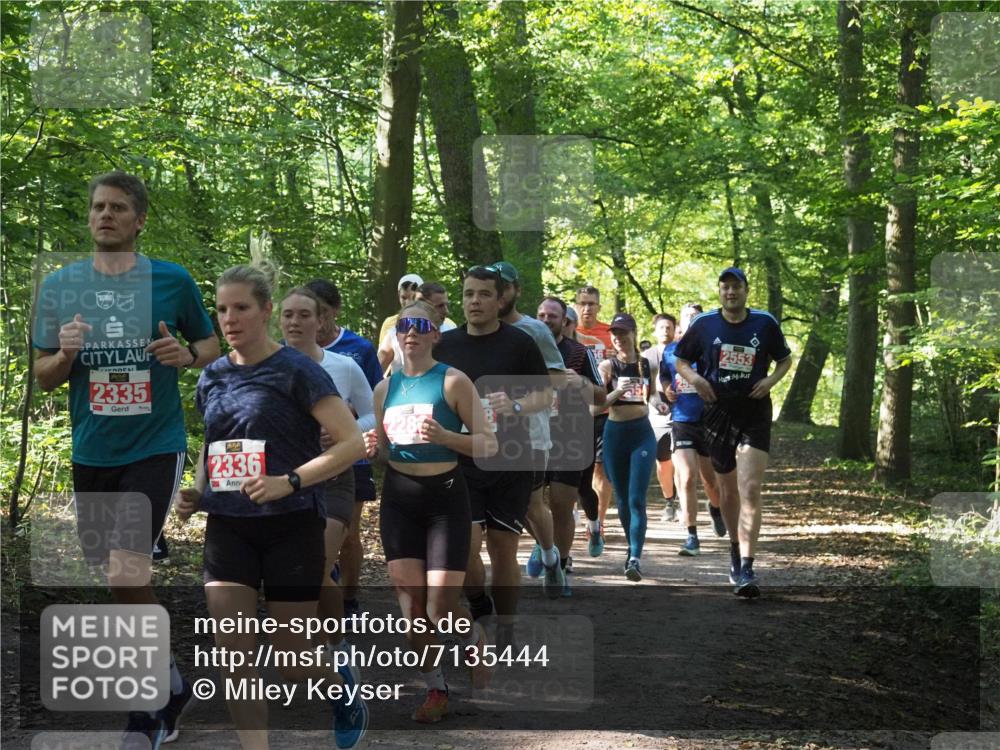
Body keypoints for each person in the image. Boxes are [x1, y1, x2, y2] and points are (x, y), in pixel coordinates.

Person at [33, 171, 220, 748]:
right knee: (117, 580)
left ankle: (146, 706)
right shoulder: (62, 285)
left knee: (124, 570)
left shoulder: (171, 280)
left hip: (154, 445)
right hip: (93, 449)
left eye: (117, 208)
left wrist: (184, 355)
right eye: (97, 207)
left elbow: (210, 345)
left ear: (139, 220)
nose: (104, 216)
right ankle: (168, 679)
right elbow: (43, 377)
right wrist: (64, 354)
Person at [176, 265, 369, 749]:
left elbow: (352, 443)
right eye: (221, 309)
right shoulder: (213, 375)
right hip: (228, 527)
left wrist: (291, 481)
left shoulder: (298, 370)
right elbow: (214, 444)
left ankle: (341, 690)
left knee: (291, 657)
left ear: (265, 310)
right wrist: (197, 490)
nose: (229, 318)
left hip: (292, 525)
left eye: (241, 307)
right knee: (234, 655)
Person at [365, 299, 497, 723]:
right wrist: (371, 451)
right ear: (396, 334)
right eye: (404, 325)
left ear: (435, 334)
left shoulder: (453, 381)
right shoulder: (384, 389)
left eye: (421, 325)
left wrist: (446, 435)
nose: (411, 332)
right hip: (400, 499)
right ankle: (435, 687)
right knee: (410, 605)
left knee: (440, 606)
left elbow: (488, 444)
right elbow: (385, 453)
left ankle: (473, 636)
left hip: (445, 499)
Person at [433, 265, 550, 647]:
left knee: (503, 549)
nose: (474, 301)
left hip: (511, 460)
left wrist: (514, 405)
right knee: (465, 548)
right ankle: (480, 605)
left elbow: (546, 396)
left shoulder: (520, 342)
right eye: (468, 294)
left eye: (483, 294)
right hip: (461, 461)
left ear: (499, 300)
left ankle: (507, 628)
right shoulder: (445, 345)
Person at [674, 267, 792, 598]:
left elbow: (785, 360)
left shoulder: (764, 323)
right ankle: (735, 547)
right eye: (725, 287)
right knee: (727, 491)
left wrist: (770, 381)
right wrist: (697, 380)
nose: (730, 292)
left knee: (750, 487)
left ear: (746, 290)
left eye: (736, 287)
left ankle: (748, 567)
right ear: (719, 291)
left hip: (754, 412)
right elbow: (681, 359)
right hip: (716, 413)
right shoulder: (704, 324)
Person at [279, 287, 375, 658]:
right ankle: (315, 642)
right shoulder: (263, 365)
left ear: (321, 322)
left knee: (317, 564)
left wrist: (344, 424)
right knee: (297, 571)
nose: (295, 322)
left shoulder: (343, 366)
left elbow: (371, 415)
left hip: (333, 477)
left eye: (305, 315)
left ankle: (337, 647)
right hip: (283, 482)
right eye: (288, 315)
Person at [489, 261, 568, 599]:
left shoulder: (534, 330)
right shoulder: (474, 330)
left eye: (504, 287)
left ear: (515, 291)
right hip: (486, 432)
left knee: (531, 505)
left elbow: (559, 378)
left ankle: (551, 559)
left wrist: (516, 390)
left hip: (530, 430)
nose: (498, 294)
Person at [306, 279, 382, 619]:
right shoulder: (281, 351)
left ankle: (348, 598)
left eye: (321, 312)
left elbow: (376, 405)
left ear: (333, 312)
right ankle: (315, 596)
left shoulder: (357, 350)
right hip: (298, 466)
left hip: (349, 461)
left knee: (348, 536)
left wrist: (346, 431)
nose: (314, 321)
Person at [537, 297, 605, 594]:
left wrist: (580, 382)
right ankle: (546, 551)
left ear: (564, 321)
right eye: (540, 314)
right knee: (533, 504)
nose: (545, 319)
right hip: (531, 435)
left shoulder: (579, 353)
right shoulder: (523, 350)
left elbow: (601, 396)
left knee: (562, 504)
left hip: (571, 435)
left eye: (552, 315)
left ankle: (561, 566)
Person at [660, 303, 724, 556]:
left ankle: (716, 508)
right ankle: (691, 536)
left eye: (696, 317)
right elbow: (665, 376)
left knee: (711, 480)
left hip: (709, 420)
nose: (691, 321)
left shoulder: (712, 348)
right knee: (686, 477)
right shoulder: (671, 351)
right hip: (682, 420)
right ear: (680, 324)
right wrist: (667, 389)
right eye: (687, 317)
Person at [596, 313, 656, 582]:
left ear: (633, 333)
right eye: (614, 334)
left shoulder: (647, 364)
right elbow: (594, 406)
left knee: (636, 498)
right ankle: (631, 549)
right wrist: (616, 392)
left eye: (623, 333)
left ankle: (635, 558)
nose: (618, 338)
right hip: (615, 435)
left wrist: (662, 403)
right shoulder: (607, 367)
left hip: (642, 434)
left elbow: (653, 396)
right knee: (621, 498)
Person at [574, 286, 615, 542]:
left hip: (604, 410)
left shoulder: (609, 333)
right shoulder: (568, 332)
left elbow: (627, 363)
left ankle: (598, 523)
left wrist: (616, 359)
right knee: (574, 471)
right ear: (576, 306)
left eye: (592, 303)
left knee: (600, 469)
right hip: (573, 413)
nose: (587, 308)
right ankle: (572, 515)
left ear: (599, 306)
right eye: (583, 303)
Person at [378, 281, 456, 375]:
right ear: (423, 305)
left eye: (446, 305)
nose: (446, 311)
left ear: (436, 336)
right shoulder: (396, 334)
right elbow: (375, 373)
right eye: (440, 306)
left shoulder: (451, 329)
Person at [645, 314, 678, 522]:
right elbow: (643, 386)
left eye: (669, 327)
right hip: (657, 415)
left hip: (682, 410)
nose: (665, 330)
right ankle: (669, 500)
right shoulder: (647, 356)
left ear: (675, 330)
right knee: (664, 462)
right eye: (661, 327)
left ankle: (684, 502)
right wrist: (655, 401)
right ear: (655, 331)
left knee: (682, 460)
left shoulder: (682, 351)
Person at [376, 272, 423, 347]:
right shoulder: (389, 323)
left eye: (413, 298)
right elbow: (382, 355)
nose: (408, 303)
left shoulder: (441, 323)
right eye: (404, 298)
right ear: (398, 295)